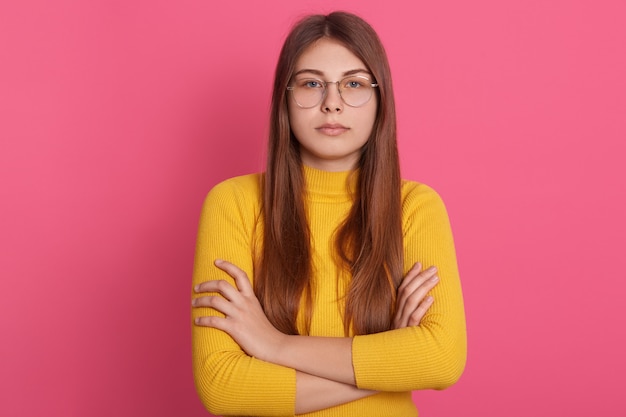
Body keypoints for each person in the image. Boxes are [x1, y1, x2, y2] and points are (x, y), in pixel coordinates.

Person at [191, 11, 466, 417]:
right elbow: (223, 387)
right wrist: (391, 360)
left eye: (353, 84)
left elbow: (442, 358)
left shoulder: (416, 208)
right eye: (312, 84)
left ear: (380, 100)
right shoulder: (233, 203)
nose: (332, 103)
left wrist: (275, 345)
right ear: (285, 98)